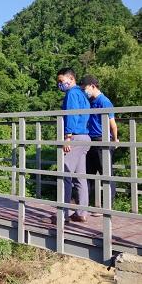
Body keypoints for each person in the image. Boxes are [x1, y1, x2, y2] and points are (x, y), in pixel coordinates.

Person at [56, 67, 91, 223]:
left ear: (70, 79)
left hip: (75, 137)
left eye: (61, 81)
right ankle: (81, 213)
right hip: (85, 137)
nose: (59, 84)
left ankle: (62, 214)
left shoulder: (71, 94)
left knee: (65, 175)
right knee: (80, 177)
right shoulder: (83, 94)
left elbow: (71, 114)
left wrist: (67, 137)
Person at [81, 75, 118, 209]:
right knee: (87, 173)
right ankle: (84, 205)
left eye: (85, 88)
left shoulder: (104, 101)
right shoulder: (90, 101)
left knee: (106, 173)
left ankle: (108, 205)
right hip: (90, 140)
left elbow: (112, 124)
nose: (84, 91)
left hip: (102, 140)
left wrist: (115, 139)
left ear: (92, 86)